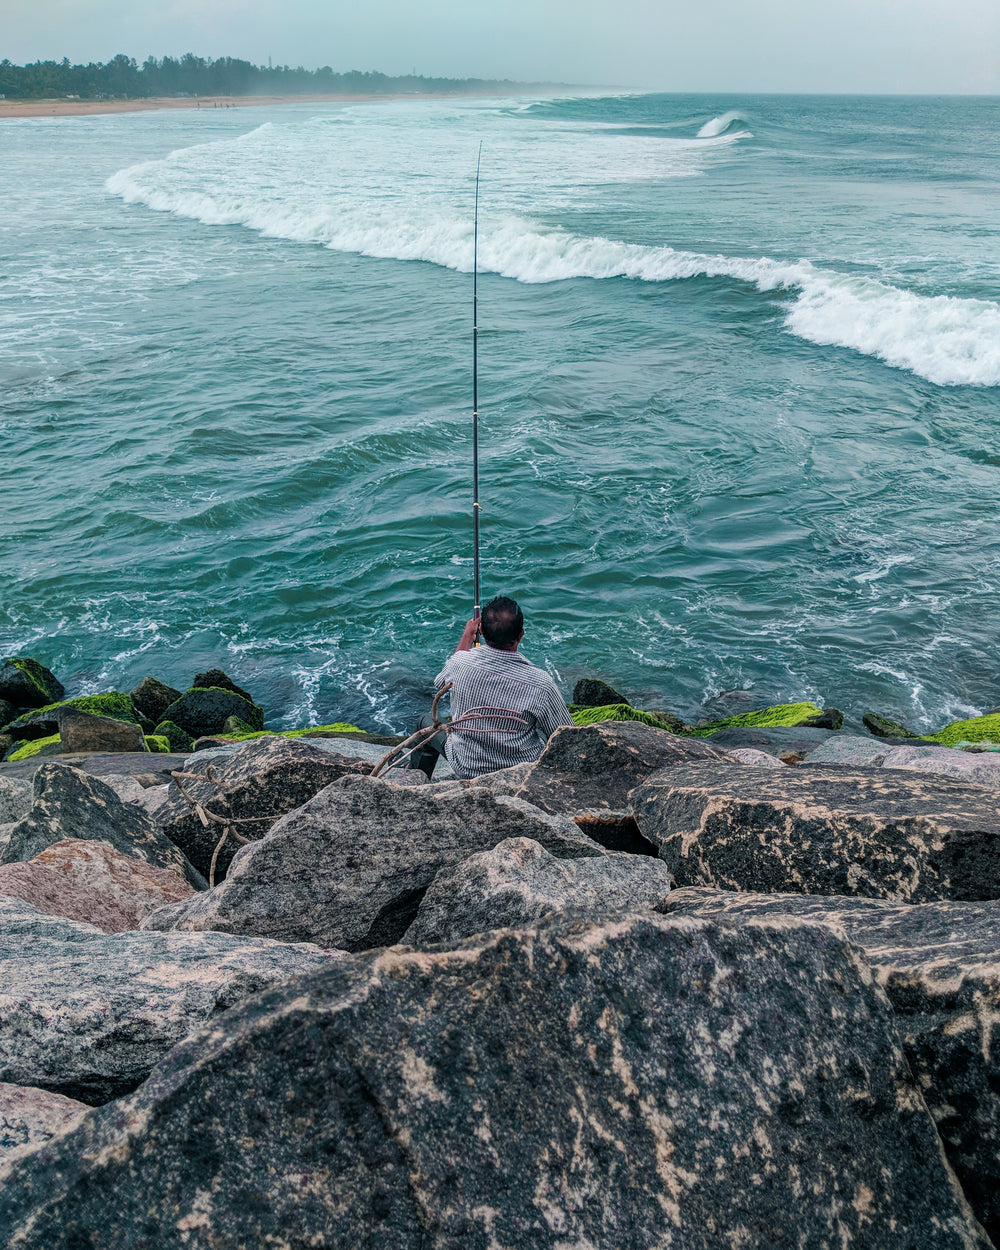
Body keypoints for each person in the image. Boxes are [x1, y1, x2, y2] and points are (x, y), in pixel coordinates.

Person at [411, 595, 574, 779]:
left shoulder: (460, 663)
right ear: (521, 634)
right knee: (544, 735)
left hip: (466, 767)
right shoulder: (540, 683)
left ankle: (416, 781)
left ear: (481, 630)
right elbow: (566, 737)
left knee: (423, 723)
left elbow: (442, 683)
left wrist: (467, 636)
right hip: (518, 773)